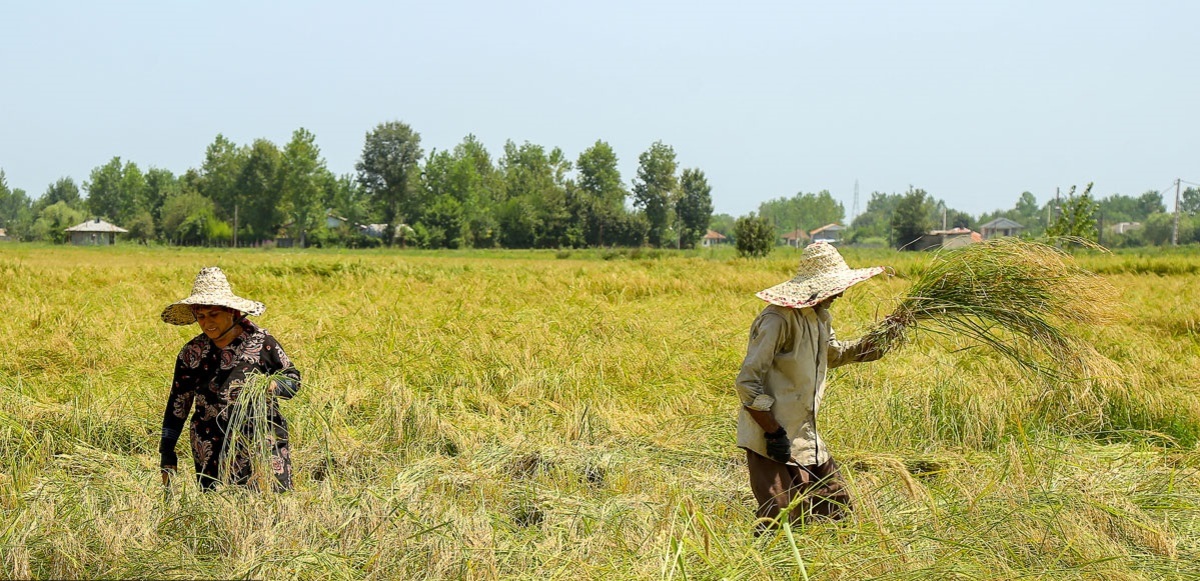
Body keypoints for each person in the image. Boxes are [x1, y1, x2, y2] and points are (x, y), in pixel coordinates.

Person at [734, 241, 890, 527]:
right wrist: (772, 432)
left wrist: (885, 338)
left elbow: (835, 355)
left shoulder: (821, 317)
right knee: (780, 517)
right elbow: (747, 382)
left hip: (805, 434)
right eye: (835, 287)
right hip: (771, 437)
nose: (841, 293)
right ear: (815, 287)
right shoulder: (777, 319)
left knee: (835, 505)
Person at [158, 266, 301, 491]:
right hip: (210, 450)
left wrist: (273, 385)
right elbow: (178, 403)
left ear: (232, 312)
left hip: (260, 444)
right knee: (220, 511)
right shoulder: (192, 353)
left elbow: (292, 379)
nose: (207, 323)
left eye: (214, 314)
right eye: (201, 316)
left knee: (269, 508)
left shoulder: (261, 343)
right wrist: (167, 452)